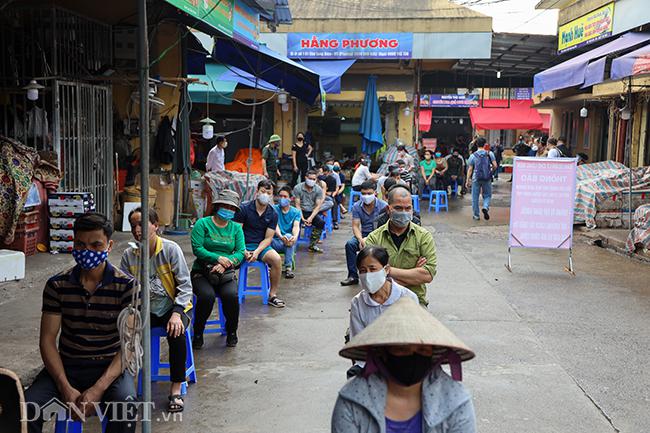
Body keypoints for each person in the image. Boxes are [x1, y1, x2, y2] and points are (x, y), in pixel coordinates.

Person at [25, 213, 138, 433]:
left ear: (109, 245)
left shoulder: (127, 287)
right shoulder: (57, 285)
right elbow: (47, 341)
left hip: (109, 368)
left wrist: (98, 389)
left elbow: (129, 346)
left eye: (96, 245)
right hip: (67, 366)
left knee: (126, 407)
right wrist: (64, 387)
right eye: (80, 244)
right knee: (26, 409)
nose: (87, 252)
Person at [332, 297, 477, 433]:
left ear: (433, 354)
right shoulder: (353, 401)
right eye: (402, 349)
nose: (413, 356)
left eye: (422, 349)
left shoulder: (455, 401)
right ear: (383, 353)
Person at [120, 207, 192, 412]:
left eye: (142, 224)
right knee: (122, 334)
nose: (137, 229)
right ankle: (125, 389)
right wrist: (131, 314)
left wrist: (177, 313)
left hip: (173, 306)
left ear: (156, 225)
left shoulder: (171, 249)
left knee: (176, 334)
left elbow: (185, 286)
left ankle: (176, 389)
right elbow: (125, 290)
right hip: (145, 310)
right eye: (133, 225)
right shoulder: (129, 255)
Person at [191, 189, 245, 349]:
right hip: (202, 272)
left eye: (232, 208)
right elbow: (197, 248)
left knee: (231, 296)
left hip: (226, 273)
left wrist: (225, 264)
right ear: (218, 206)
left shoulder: (236, 228)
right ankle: (198, 332)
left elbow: (241, 252)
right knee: (206, 297)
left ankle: (232, 331)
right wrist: (216, 258)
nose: (228, 210)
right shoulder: (203, 224)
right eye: (225, 206)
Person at [366, 185, 437, 305]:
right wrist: (414, 273)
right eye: (398, 208)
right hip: (382, 302)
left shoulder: (423, 237)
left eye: (407, 208)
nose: (404, 212)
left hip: (415, 302)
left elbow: (427, 275)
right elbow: (372, 280)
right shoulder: (374, 238)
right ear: (388, 209)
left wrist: (387, 270)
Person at [234, 180, 285, 308]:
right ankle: (230, 293)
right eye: (263, 191)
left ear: (272, 195)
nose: (265, 195)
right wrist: (243, 250)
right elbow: (237, 232)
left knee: (277, 259)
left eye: (269, 193)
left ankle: (272, 295)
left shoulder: (272, 213)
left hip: (261, 246)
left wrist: (256, 252)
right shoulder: (244, 208)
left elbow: (268, 238)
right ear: (257, 192)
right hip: (242, 244)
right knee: (228, 261)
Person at [341, 181, 388, 286]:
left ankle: (384, 274)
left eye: (369, 193)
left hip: (379, 235)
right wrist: (360, 239)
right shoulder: (357, 206)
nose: (366, 196)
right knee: (350, 245)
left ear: (375, 193)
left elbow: (386, 226)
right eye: (363, 193)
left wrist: (372, 238)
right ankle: (353, 276)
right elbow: (355, 226)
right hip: (363, 235)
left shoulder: (383, 206)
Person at [293, 169, 329, 253]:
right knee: (294, 223)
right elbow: (297, 205)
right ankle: (291, 243)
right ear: (305, 178)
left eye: (314, 179)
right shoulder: (298, 188)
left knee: (321, 223)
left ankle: (313, 245)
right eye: (310, 178)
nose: (312, 181)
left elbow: (318, 206)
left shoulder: (318, 189)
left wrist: (310, 218)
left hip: (311, 211)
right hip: (300, 211)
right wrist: (301, 217)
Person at [272, 186, 301, 279]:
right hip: (275, 241)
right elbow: (275, 225)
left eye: (285, 196)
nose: (282, 199)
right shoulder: (273, 209)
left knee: (289, 236)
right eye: (280, 196)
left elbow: (296, 226)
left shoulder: (296, 212)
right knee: (267, 239)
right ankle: (272, 265)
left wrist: (295, 237)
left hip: (289, 242)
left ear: (291, 198)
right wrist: (281, 236)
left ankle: (288, 268)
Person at [466, 138, 497, 221]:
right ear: (485, 144)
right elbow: (495, 165)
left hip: (476, 178)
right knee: (487, 195)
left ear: (476, 144)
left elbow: (470, 169)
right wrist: (491, 171)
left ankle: (476, 216)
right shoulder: (489, 154)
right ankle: (485, 207)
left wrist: (467, 180)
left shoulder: (473, 156)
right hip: (487, 177)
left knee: (475, 197)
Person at [322, 164, 341, 229]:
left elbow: (331, 192)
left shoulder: (332, 179)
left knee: (333, 202)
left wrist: (326, 193)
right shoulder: (317, 179)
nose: (324, 175)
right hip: (318, 196)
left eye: (325, 173)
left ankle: (334, 221)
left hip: (328, 195)